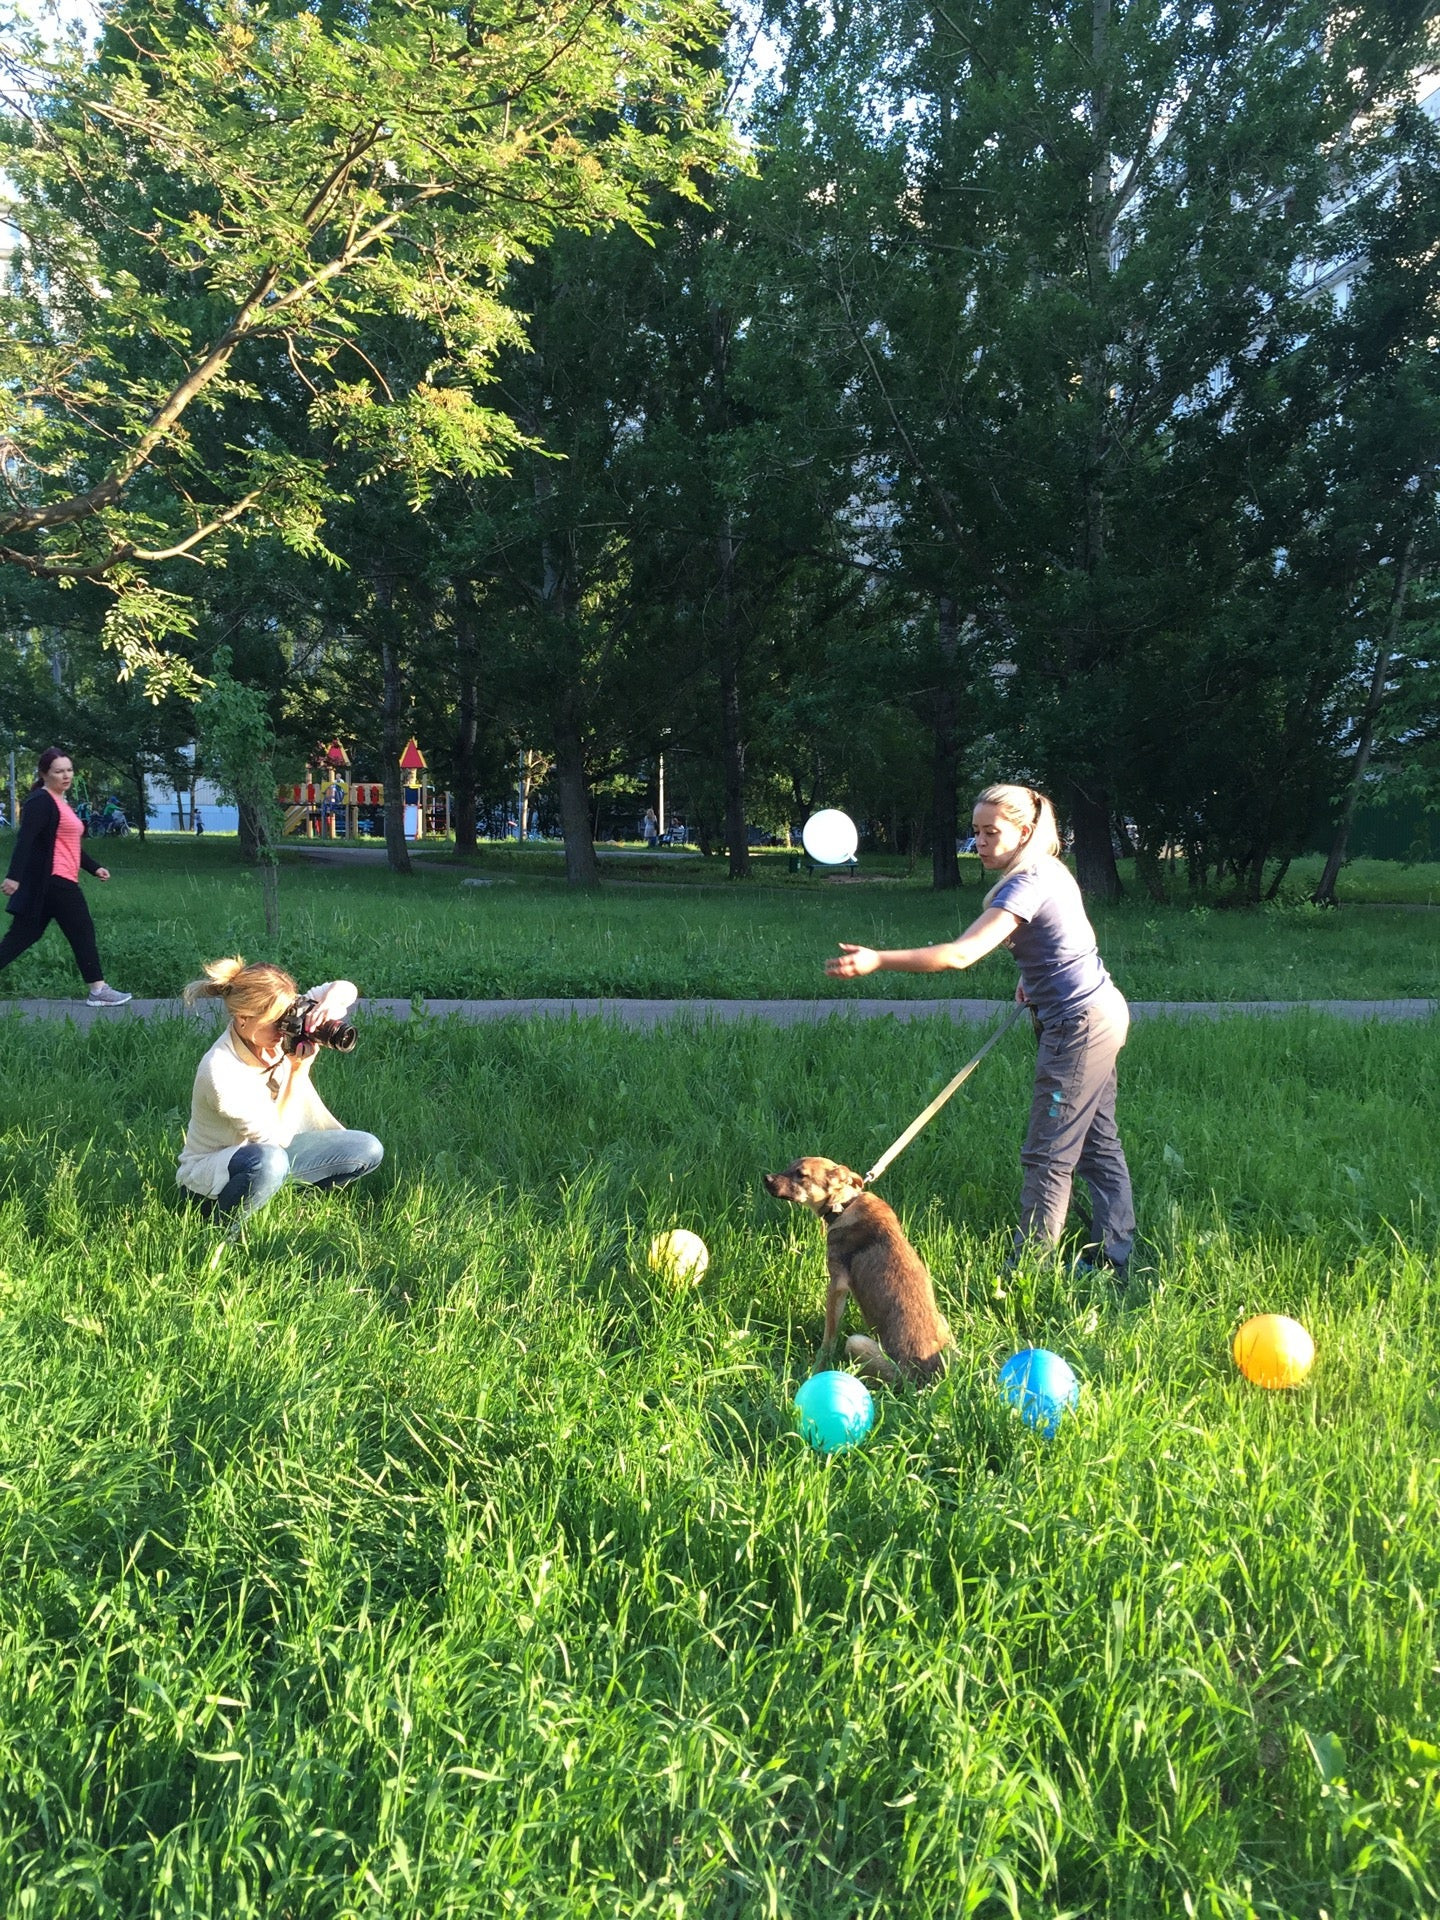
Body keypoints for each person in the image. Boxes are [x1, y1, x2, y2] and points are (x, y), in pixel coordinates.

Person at [826, 782, 1135, 1279]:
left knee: (1049, 1153)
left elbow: (961, 953)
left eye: (992, 832)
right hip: (1097, 1011)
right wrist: (1030, 977)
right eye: (976, 832)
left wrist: (879, 959)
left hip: (1079, 1026)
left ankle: (1027, 1276)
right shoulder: (1048, 873)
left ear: (1025, 832)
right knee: (1097, 1144)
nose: (981, 843)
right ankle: (1114, 1259)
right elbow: (1067, 940)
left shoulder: (1028, 881)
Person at [178, 956, 383, 1221]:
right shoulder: (220, 1071)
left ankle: (286, 1202)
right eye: (276, 1022)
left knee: (367, 1148)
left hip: (268, 1149)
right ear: (242, 1019)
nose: (284, 1028)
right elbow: (276, 1140)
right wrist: (299, 1070)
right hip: (211, 1180)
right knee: (271, 1162)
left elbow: (347, 990)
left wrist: (329, 1003)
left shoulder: (279, 1017)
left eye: (288, 1015)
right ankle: (221, 1231)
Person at [0, 748, 132, 1006]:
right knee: (82, 930)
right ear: (44, 774)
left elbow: (70, 845)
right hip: (55, 880)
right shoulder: (41, 801)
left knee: (22, 936)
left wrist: (94, 868)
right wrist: (13, 877)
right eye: (58, 771)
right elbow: (25, 840)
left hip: (52, 882)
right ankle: (98, 990)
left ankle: (98, 989)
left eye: (69, 770)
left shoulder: (61, 802)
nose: (65, 775)